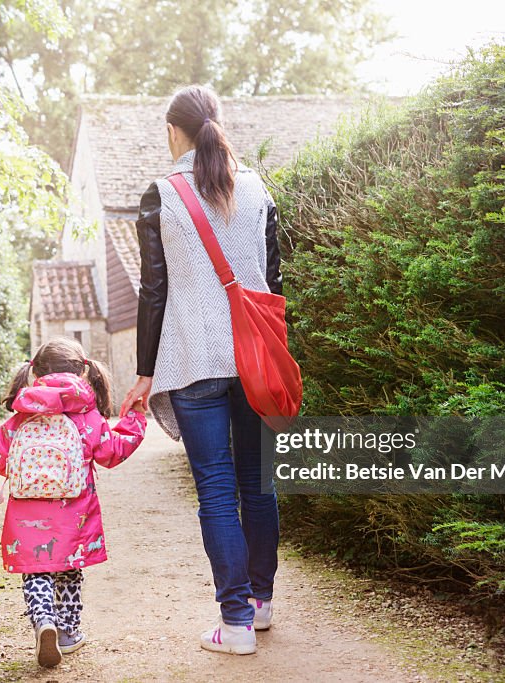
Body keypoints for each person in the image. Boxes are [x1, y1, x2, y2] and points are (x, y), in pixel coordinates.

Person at [120, 84, 283, 656]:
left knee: (216, 490)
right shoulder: (259, 189)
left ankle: (235, 623)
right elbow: (274, 286)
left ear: (174, 132)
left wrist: (144, 372)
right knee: (257, 485)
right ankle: (260, 607)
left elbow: (153, 291)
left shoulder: (161, 195)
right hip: (256, 359)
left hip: (193, 361)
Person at [0, 336, 147, 667]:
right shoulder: (85, 415)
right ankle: (67, 632)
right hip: (74, 515)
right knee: (69, 571)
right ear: (83, 373)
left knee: (37, 571)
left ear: (36, 372)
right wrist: (135, 419)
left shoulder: (22, 414)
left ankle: (43, 621)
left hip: (26, 515)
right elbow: (112, 452)